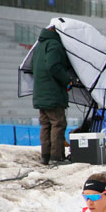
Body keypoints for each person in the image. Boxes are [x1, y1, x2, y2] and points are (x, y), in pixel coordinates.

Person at [31, 25, 74, 165]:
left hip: (40, 93)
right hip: (53, 94)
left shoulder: (39, 46)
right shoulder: (54, 45)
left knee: (45, 125)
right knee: (58, 124)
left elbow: (32, 67)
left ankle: (45, 156)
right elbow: (53, 66)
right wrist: (67, 80)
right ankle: (57, 157)